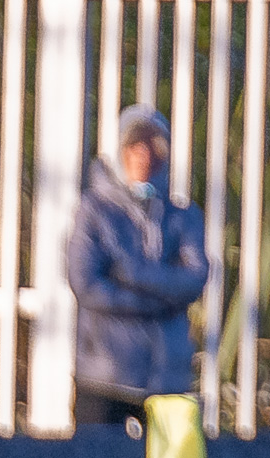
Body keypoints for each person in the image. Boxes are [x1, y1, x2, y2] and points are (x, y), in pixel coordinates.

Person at [69, 104, 209, 430]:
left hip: (167, 378)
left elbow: (195, 277)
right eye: (134, 145)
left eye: (154, 145)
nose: (144, 154)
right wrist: (158, 300)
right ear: (120, 151)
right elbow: (86, 283)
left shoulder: (182, 216)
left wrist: (131, 274)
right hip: (103, 376)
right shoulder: (94, 211)